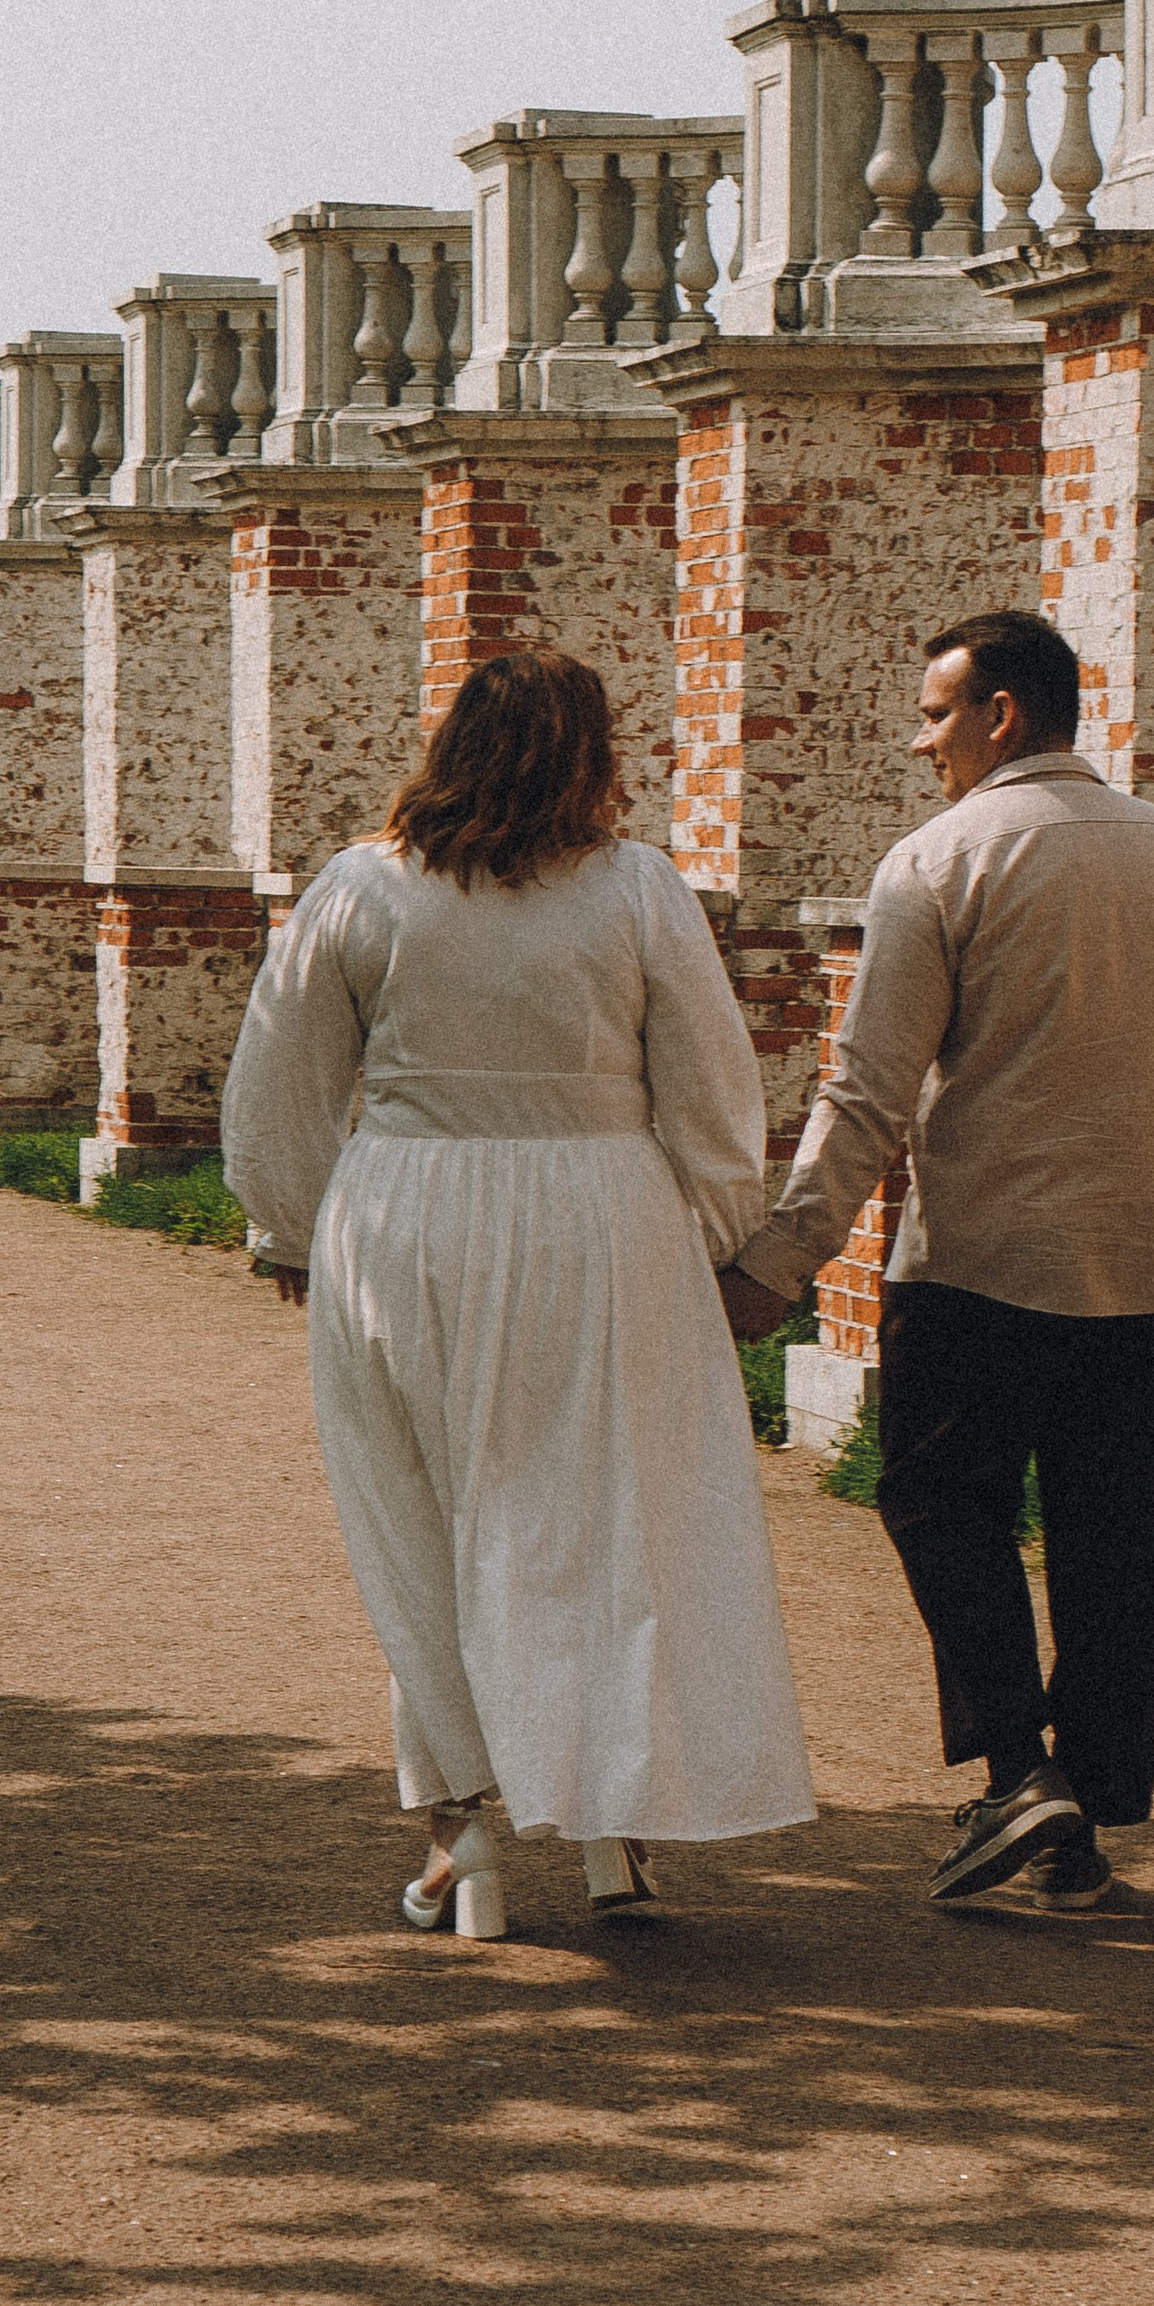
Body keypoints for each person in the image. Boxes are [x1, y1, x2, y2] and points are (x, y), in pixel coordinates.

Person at [221, 647, 816, 1940]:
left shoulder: (361, 889)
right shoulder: (639, 891)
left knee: (422, 1521)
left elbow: (276, 1080)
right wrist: (719, 1236)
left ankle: (468, 1831)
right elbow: (717, 1093)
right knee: (608, 1520)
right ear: (592, 756)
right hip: (604, 1225)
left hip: (409, 1215)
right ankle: (616, 1825)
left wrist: (294, 1227)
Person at [717, 609, 1154, 1917]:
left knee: (937, 1501)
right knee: (1120, 1549)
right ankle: (1077, 1813)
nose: (924, 743)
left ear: (1001, 715)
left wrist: (782, 1264)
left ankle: (1023, 1771)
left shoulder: (938, 863)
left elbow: (866, 1092)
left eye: (935, 714)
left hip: (986, 1263)